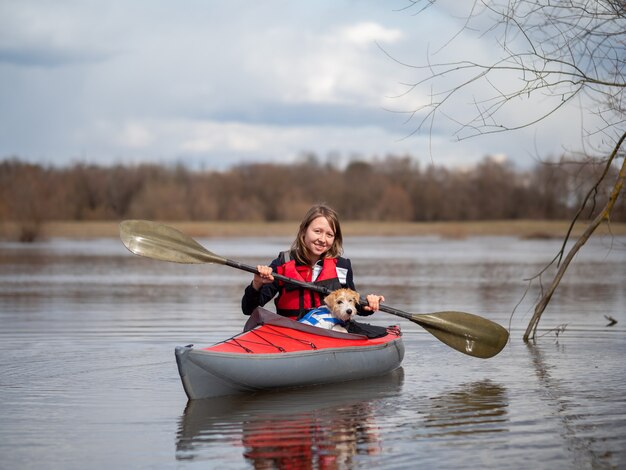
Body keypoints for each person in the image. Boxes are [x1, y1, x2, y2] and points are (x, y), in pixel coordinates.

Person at [241, 203, 384, 320]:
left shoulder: (342, 266)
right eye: (317, 231)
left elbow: (354, 307)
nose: (322, 239)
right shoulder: (281, 264)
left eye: (329, 234)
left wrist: (368, 304)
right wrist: (256, 284)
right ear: (304, 231)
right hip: (292, 334)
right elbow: (248, 309)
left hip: (330, 333)